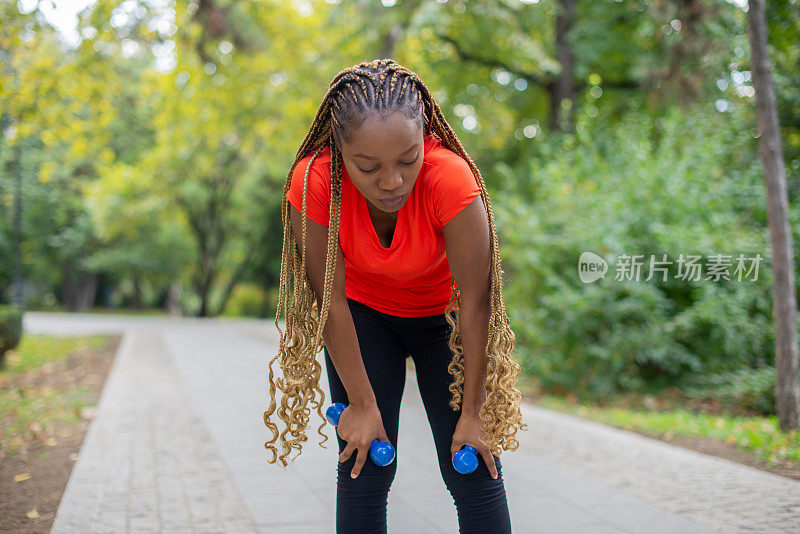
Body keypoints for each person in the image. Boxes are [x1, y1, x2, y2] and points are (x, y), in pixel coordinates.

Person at [263, 58, 526, 534]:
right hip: (362, 319)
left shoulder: (451, 180)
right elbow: (331, 301)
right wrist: (362, 405)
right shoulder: (314, 181)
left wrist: (474, 412)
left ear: (424, 138)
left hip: (444, 321)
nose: (391, 181)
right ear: (339, 150)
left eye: (408, 160)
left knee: (473, 468)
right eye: (368, 167)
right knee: (365, 468)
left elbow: (477, 304)